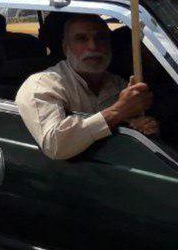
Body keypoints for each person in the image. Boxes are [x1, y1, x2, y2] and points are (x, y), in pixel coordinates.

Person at [16, 14, 157, 160]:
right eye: (81, 39)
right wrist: (118, 111)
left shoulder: (118, 85)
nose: (93, 46)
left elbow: (129, 126)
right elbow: (55, 145)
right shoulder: (43, 85)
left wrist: (140, 125)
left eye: (101, 38)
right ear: (65, 48)